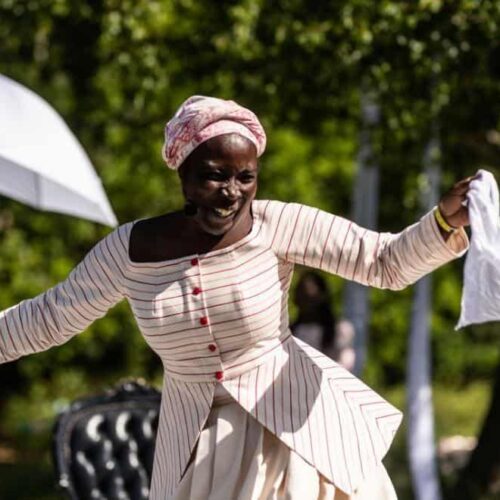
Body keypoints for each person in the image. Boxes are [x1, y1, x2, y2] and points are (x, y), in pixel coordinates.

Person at [0, 95, 472, 499]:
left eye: (245, 177)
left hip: (298, 436)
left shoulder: (277, 224)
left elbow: (383, 262)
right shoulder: (128, 250)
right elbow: (51, 316)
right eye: (214, 175)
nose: (231, 193)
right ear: (182, 172)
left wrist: (444, 221)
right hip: (197, 447)